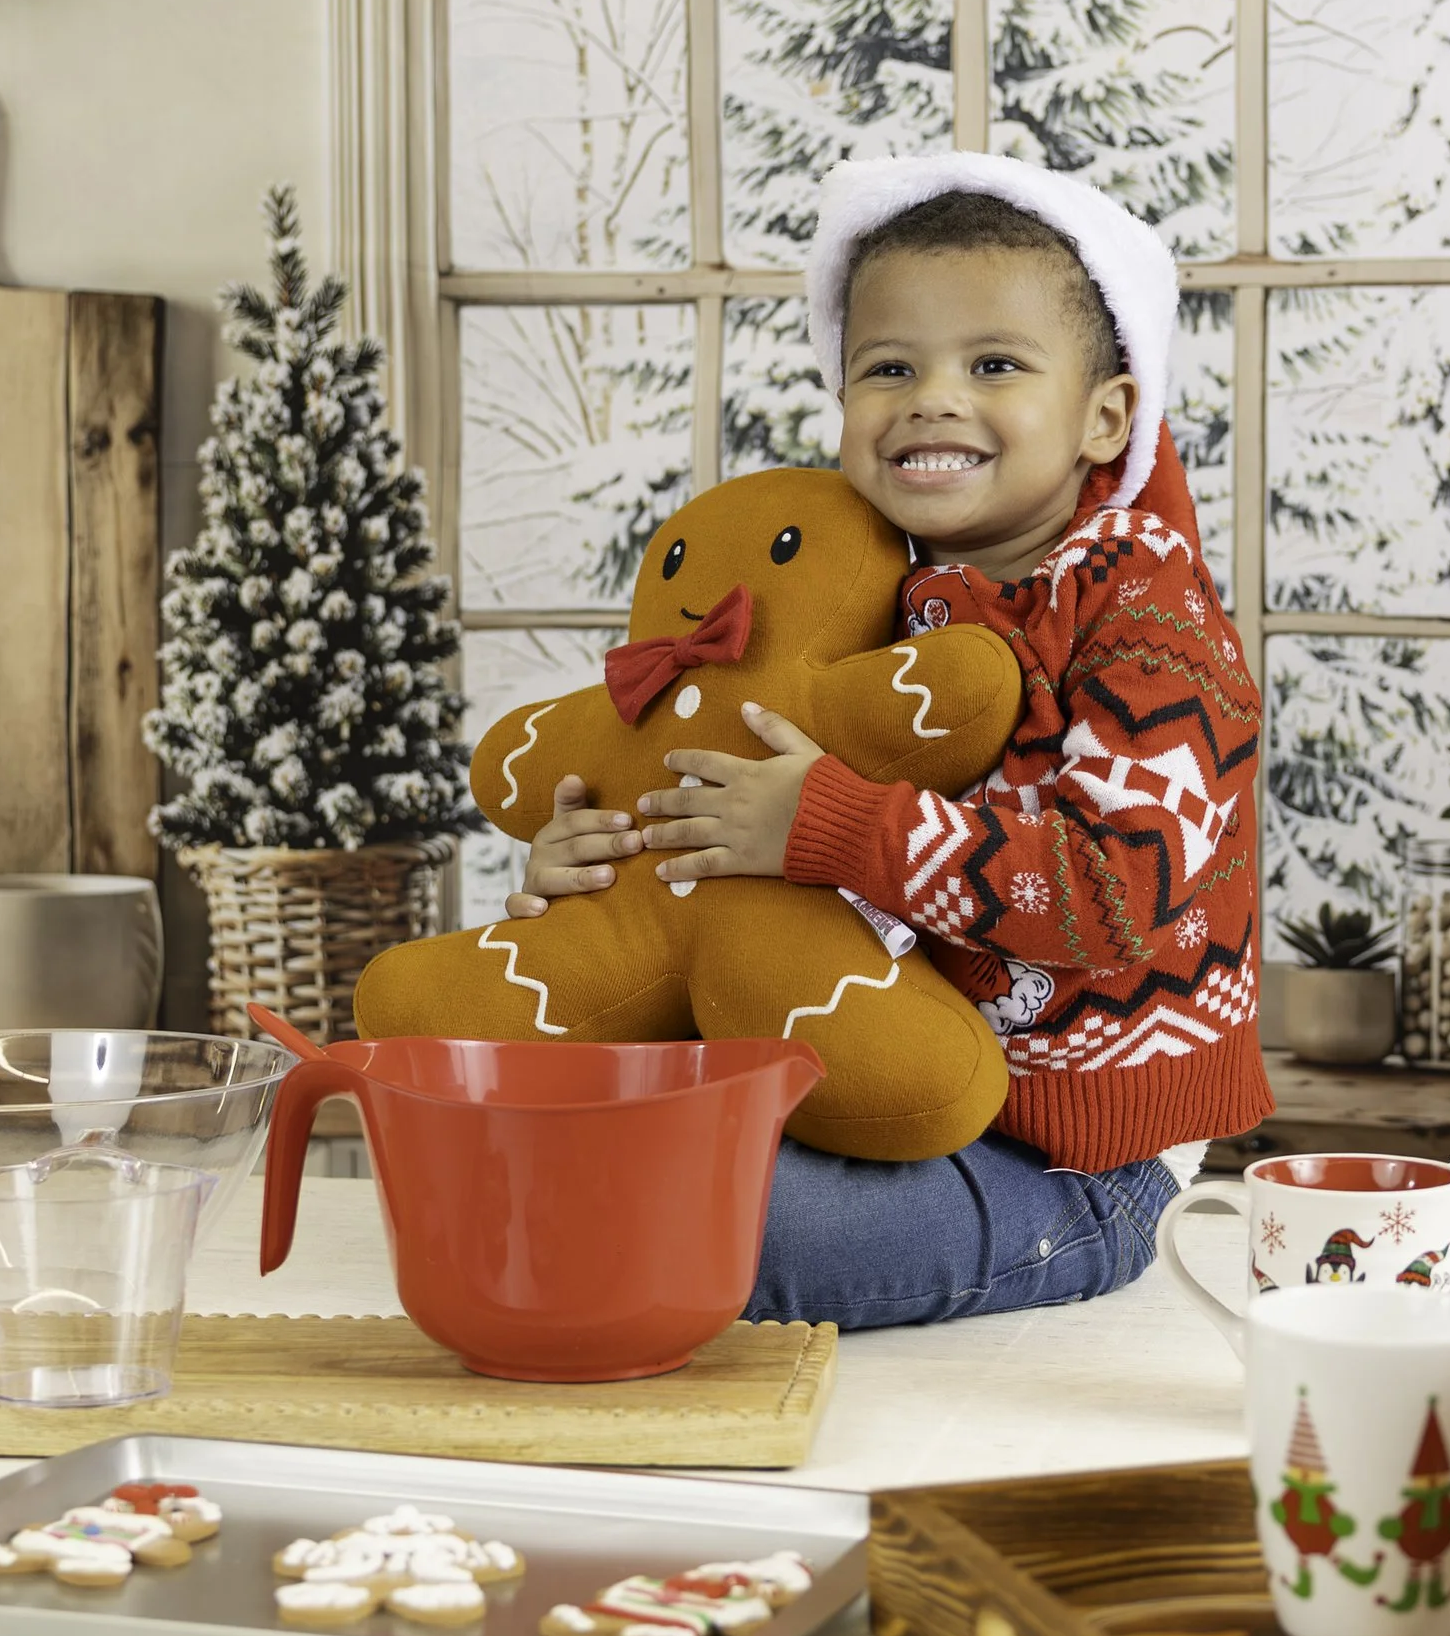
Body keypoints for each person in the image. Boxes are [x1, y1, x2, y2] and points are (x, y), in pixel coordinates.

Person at [507, 154, 1271, 1330]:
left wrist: (825, 820)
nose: (932, 399)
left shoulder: (1147, 621)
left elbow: (1117, 888)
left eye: (994, 364)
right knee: (572, 1143)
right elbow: (735, 849)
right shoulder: (860, 609)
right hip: (866, 1088)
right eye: (889, 368)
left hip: (1069, 1158)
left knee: (699, 1221)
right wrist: (601, 863)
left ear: (1106, 416)